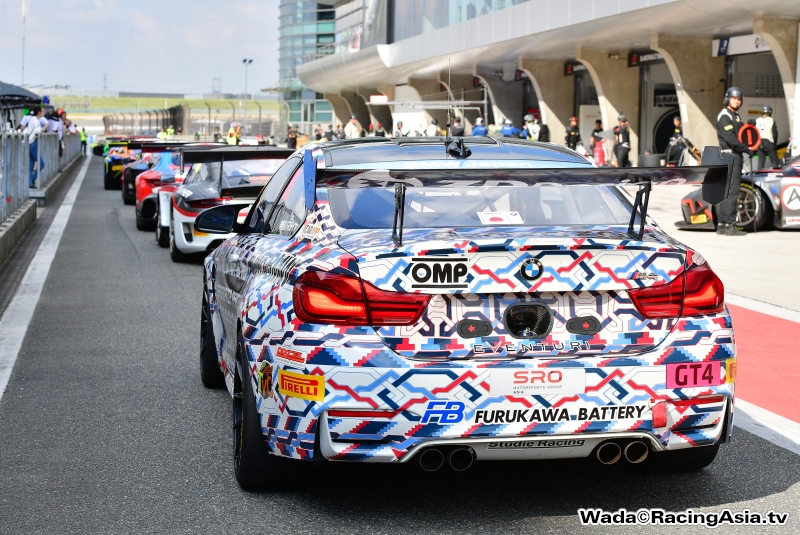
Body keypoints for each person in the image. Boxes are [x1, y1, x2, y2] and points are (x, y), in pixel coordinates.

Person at [715, 87, 750, 236]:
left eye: (739, 99)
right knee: (732, 191)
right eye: (734, 98)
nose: (737, 101)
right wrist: (746, 149)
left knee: (727, 191)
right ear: (728, 98)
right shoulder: (725, 115)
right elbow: (731, 138)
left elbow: (743, 134)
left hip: (734, 155)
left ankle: (722, 225)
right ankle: (730, 225)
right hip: (730, 155)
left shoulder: (736, 116)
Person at [23, 106, 46, 187]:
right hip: (32, 143)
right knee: (42, 163)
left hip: (31, 143)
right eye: (42, 111)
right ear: (38, 112)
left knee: (31, 164)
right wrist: (42, 129)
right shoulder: (34, 119)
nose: (44, 112)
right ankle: (32, 179)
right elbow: (37, 130)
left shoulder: (36, 120)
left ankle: (30, 183)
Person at [756, 106, 779, 170]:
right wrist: (774, 144)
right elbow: (774, 133)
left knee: (761, 161)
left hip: (759, 142)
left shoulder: (757, 120)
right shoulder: (771, 120)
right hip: (769, 142)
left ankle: (759, 176)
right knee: (774, 160)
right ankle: (775, 175)